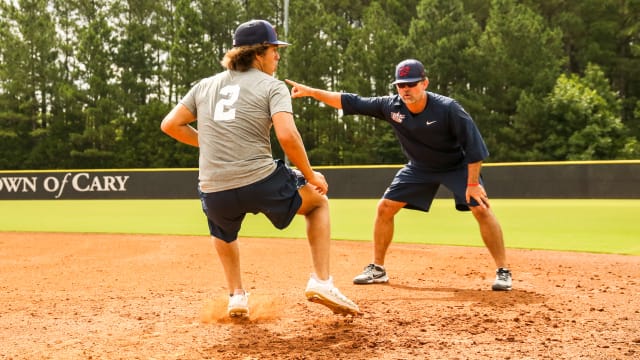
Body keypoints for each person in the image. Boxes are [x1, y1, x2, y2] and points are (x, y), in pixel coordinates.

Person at [160, 19, 361, 318]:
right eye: (273, 50)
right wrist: (310, 175)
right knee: (318, 203)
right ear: (257, 54)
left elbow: (170, 124)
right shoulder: (271, 86)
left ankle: (237, 296)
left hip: (215, 188)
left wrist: (215, 144)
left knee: (222, 232)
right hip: (260, 180)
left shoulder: (205, 85)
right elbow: (287, 136)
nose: (278, 56)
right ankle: (322, 281)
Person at [286, 59, 512, 291]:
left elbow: (474, 147)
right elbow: (350, 101)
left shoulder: (448, 108)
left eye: (411, 84)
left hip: (457, 166)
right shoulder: (391, 106)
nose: (405, 89)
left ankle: (503, 271)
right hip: (419, 167)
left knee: (481, 208)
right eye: (401, 84)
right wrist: (312, 92)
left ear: (425, 83)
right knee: (385, 208)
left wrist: (473, 183)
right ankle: (378, 269)